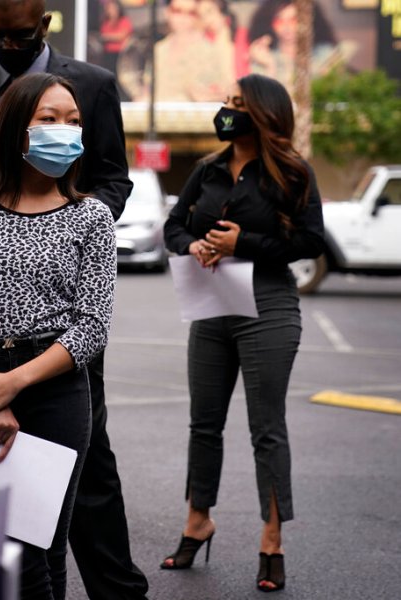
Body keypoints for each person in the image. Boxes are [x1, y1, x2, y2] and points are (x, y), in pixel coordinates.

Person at [0, 2, 150, 599]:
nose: (65, 131)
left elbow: (90, 325)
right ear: (12, 127)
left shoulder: (90, 217)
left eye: (72, 121)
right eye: (49, 119)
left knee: (42, 542)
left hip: (54, 378)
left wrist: (17, 383)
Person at [161, 73, 326, 593]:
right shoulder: (208, 169)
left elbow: (310, 241)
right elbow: (172, 227)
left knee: (266, 427)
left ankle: (272, 540)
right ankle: (197, 520)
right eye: (225, 102)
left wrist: (243, 244)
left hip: (269, 307)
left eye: (237, 104)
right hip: (211, 306)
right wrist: (194, 246)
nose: (226, 110)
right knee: (203, 423)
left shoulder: (293, 173)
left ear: (264, 114)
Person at [246, 0, 353, 91]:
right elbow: (260, 106)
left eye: (294, 20)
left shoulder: (326, 55)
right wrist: (270, 67)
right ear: (269, 23)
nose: (286, 27)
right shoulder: (263, 57)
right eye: (279, 20)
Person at [98, 0, 133, 77]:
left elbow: (122, 35)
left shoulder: (124, 20)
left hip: (121, 55)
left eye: (114, 8)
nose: (112, 10)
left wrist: (108, 37)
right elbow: (102, 35)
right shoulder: (105, 22)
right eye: (109, 8)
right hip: (108, 55)